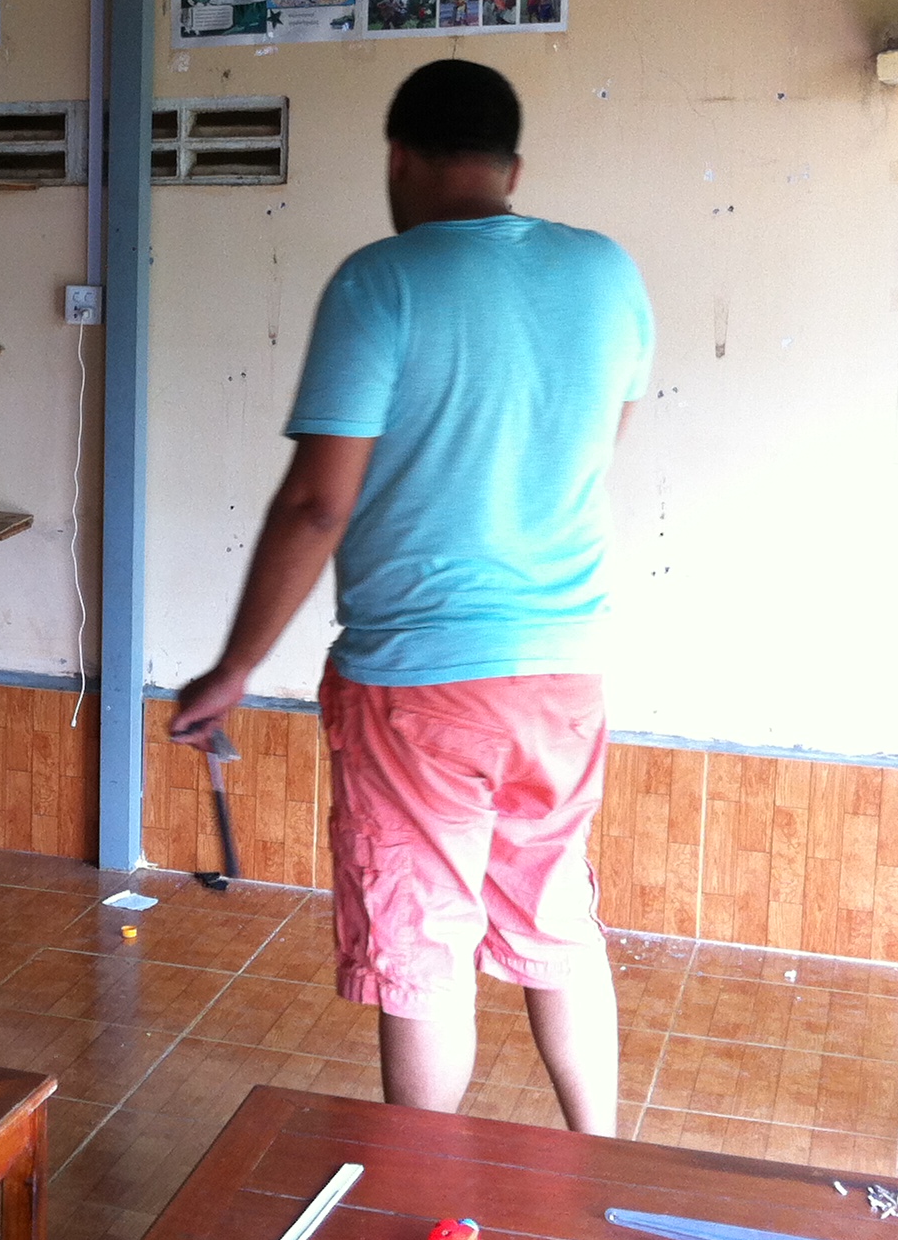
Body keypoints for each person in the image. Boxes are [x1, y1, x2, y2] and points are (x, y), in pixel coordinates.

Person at [169, 61, 654, 1138]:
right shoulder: (606, 272)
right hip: (566, 670)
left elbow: (317, 505)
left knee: (424, 946)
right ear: (512, 166)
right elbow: (594, 448)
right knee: (555, 917)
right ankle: (603, 1161)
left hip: (420, 686)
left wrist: (237, 666)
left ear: (399, 159)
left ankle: (425, 1189)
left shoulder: (380, 283)